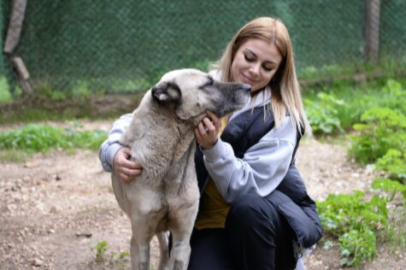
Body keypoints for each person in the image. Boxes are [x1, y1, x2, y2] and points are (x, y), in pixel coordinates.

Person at [99, 17, 322, 270]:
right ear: (235, 48)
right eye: (249, 57)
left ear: (277, 73)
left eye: (267, 67)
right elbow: (143, 116)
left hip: (263, 231)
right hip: (209, 227)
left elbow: (245, 190)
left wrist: (213, 148)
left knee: (248, 208)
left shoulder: (280, 117)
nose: (254, 70)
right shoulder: (200, 87)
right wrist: (113, 150)